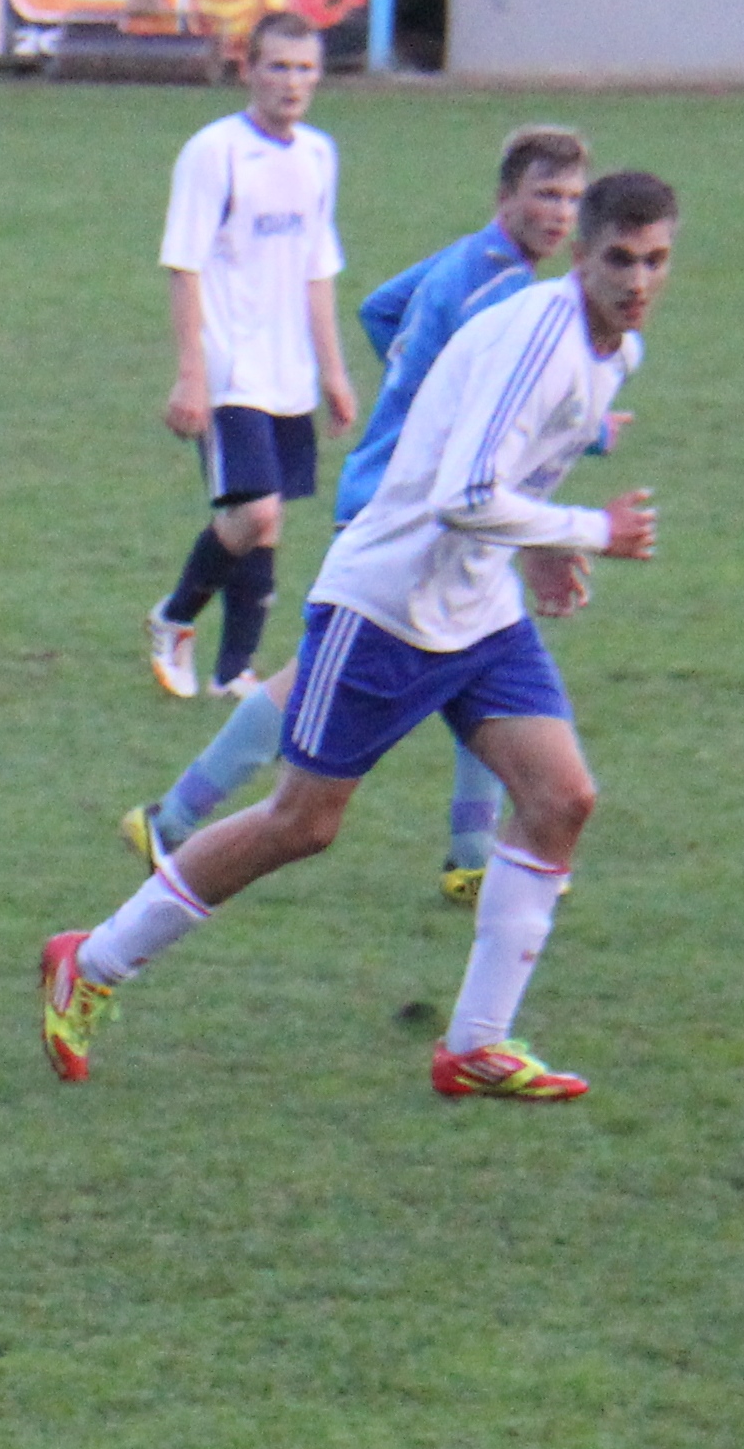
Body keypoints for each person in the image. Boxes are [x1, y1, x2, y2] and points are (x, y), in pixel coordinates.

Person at [44, 172, 680, 1102]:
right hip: (386, 606)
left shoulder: (615, 350)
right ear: (580, 255)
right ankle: (91, 960)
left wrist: (542, 548)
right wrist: (589, 531)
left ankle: (475, 1046)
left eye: (654, 260)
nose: (637, 280)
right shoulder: (538, 342)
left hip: (478, 612)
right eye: (618, 259)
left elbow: (504, 478)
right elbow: (463, 495)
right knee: (300, 823)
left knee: (561, 798)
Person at [126, 126, 604, 904]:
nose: (559, 213)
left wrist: (418, 387)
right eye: (544, 194)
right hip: (408, 510)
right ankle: (174, 820)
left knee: (478, 652)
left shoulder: (469, 260)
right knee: (333, 680)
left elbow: (383, 309)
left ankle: (468, 855)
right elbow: (516, 398)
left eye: (572, 199)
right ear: (504, 197)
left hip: (413, 499)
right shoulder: (506, 294)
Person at [139, 15, 357, 703]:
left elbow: (317, 270)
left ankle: (233, 671)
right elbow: (183, 264)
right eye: (278, 66)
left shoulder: (318, 155)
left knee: (269, 520)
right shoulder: (215, 153)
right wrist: (190, 373)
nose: (292, 82)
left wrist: (333, 370)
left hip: (289, 370)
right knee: (255, 513)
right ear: (248, 70)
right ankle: (174, 616)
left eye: (304, 68)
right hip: (229, 366)